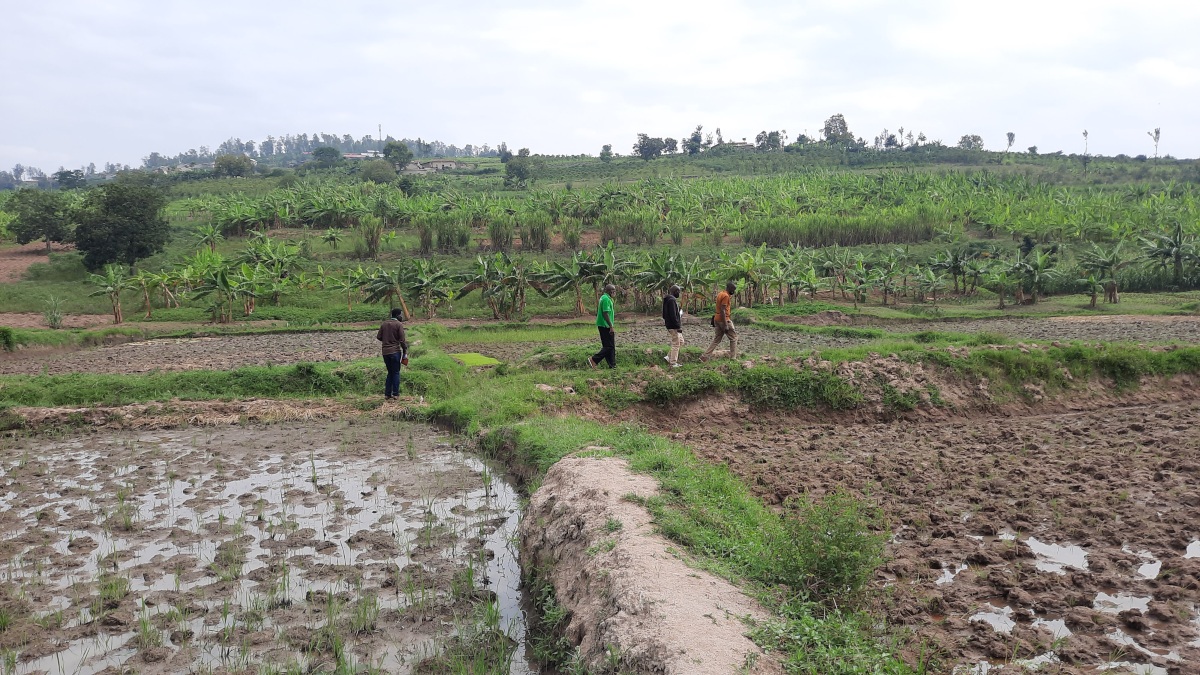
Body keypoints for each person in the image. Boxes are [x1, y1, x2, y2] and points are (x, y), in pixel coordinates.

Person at [376, 308, 408, 400]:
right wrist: (405, 350)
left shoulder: (384, 324)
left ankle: (387, 394)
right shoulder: (398, 324)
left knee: (390, 372)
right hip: (395, 352)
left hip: (385, 352)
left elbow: (379, 337)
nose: (401, 316)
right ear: (398, 315)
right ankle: (396, 394)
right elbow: (402, 340)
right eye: (401, 315)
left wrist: (387, 340)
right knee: (396, 372)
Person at [702, 281, 738, 361]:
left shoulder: (721, 293)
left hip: (717, 319)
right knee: (734, 338)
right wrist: (725, 324)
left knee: (716, 339)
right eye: (733, 289)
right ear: (729, 288)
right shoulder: (726, 296)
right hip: (724, 319)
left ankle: (704, 356)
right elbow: (723, 310)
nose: (734, 291)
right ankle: (733, 358)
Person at [588, 284, 617, 369]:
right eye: (613, 291)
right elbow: (605, 313)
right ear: (609, 291)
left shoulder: (605, 298)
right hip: (605, 325)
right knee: (609, 346)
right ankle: (594, 359)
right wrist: (611, 326)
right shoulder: (606, 299)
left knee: (610, 346)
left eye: (615, 290)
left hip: (604, 324)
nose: (614, 292)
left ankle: (612, 365)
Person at [662, 285, 684, 367]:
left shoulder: (667, 300)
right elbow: (673, 316)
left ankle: (668, 357)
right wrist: (678, 326)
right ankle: (673, 363)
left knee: (681, 341)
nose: (679, 293)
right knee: (676, 343)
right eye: (679, 291)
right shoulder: (672, 300)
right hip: (673, 326)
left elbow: (664, 315)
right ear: (675, 291)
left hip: (670, 325)